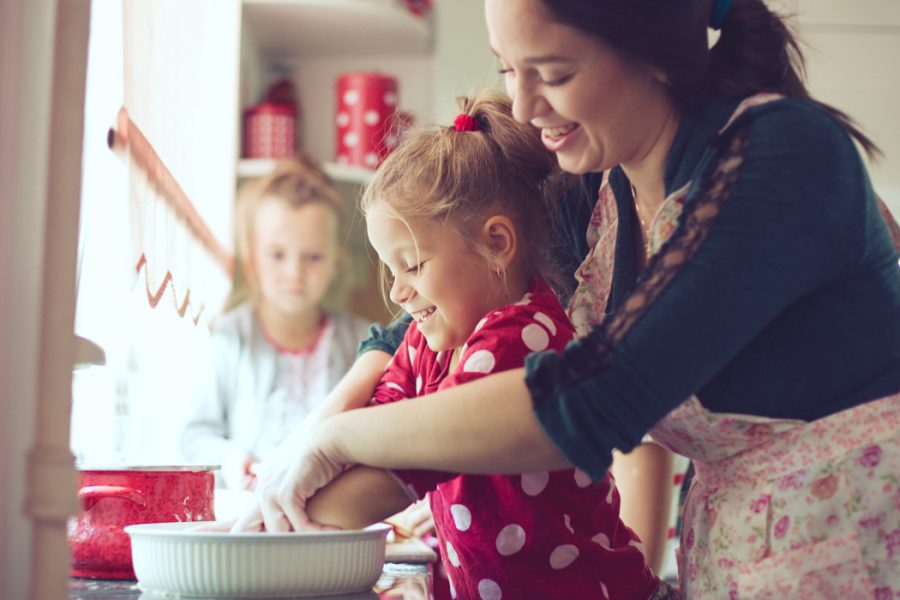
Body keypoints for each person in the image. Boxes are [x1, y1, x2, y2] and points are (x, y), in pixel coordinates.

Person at [241, 0, 900, 596]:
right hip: (746, 562)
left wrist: (338, 438)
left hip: (861, 553)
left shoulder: (783, 156)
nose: (524, 107)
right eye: (508, 69)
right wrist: (304, 456)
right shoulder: (593, 193)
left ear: (653, 55)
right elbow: (417, 326)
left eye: (552, 74)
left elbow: (588, 400)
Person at [247, 93, 671, 600]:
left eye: (414, 265)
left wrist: (284, 519)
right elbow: (384, 410)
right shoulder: (434, 336)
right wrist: (291, 485)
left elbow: (405, 462)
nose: (397, 293)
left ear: (496, 244)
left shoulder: (522, 337)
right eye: (390, 268)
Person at [181, 155, 369, 489]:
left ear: (335, 263)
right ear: (252, 260)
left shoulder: (363, 342)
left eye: (312, 257)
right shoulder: (230, 337)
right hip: (250, 509)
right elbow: (196, 433)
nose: (294, 273)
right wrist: (233, 461)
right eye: (277, 255)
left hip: (334, 511)